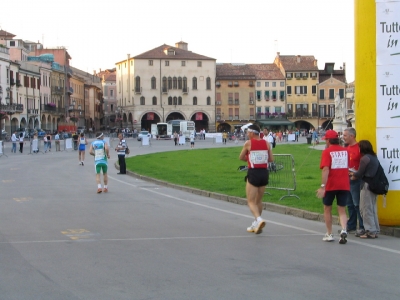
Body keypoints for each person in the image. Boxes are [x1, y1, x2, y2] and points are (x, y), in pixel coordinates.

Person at [316, 130, 350, 244]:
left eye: (326, 139)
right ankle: (344, 229)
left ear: (329, 140)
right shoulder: (345, 151)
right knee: (342, 209)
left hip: (331, 184)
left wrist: (322, 186)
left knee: (327, 208)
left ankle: (329, 233)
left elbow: (326, 169)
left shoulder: (327, 152)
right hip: (344, 184)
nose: (325, 141)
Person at [239, 124, 274, 234]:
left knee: (250, 201)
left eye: (248, 132)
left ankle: (259, 220)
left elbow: (241, 157)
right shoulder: (266, 143)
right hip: (264, 173)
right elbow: (271, 159)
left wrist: (250, 159)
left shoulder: (248, 143)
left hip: (254, 172)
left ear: (252, 133)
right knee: (258, 200)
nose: (247, 134)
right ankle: (256, 222)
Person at [350, 140, 380, 239]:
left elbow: (359, 173)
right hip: (374, 184)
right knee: (372, 208)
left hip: (366, 185)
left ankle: (370, 231)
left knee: (365, 208)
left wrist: (352, 173)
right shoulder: (373, 157)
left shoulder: (364, 159)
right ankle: (375, 229)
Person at [342, 127, 364, 235]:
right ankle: (351, 225)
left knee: (357, 203)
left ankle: (362, 226)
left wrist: (357, 174)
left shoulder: (359, 148)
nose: (343, 137)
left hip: (356, 179)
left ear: (352, 136)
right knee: (349, 203)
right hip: (347, 178)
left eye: (345, 135)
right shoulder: (346, 148)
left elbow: (364, 163)